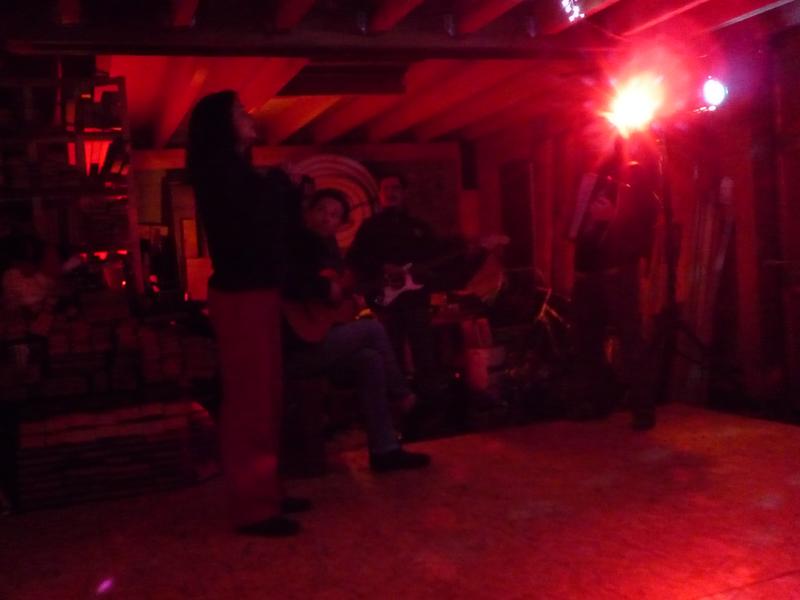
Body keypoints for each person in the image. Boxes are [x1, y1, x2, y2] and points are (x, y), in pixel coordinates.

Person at [186, 90, 307, 537]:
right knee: (250, 401)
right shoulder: (221, 175)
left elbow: (272, 226)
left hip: (256, 293)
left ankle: (267, 490)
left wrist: (281, 186)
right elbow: (254, 224)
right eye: (239, 111)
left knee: (267, 396)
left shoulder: (237, 174)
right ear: (221, 125)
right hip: (242, 297)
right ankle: (254, 507)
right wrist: (282, 185)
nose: (249, 114)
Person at [283, 188, 431, 472]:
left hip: (319, 339)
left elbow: (333, 305)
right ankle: (404, 397)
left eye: (334, 215)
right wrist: (326, 289)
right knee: (372, 329)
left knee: (370, 360)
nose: (326, 218)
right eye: (321, 210)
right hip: (296, 346)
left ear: (340, 224)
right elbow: (291, 281)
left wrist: (349, 300)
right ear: (308, 212)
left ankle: (385, 450)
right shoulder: (293, 244)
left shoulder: (330, 253)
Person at [570, 134, 660, 430]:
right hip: (587, 271)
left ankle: (643, 409)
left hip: (617, 271)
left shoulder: (635, 174)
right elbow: (574, 226)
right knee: (586, 340)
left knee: (629, 337)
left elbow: (647, 220)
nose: (592, 143)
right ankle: (596, 402)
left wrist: (613, 217)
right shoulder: (586, 176)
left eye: (597, 138)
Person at [346, 174, 445, 398]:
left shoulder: (419, 227)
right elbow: (354, 259)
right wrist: (382, 267)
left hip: (416, 300)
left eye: (396, 188)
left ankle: (429, 400)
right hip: (386, 301)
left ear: (404, 192)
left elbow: (437, 255)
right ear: (380, 195)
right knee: (391, 352)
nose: (391, 193)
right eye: (386, 188)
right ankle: (399, 399)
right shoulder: (370, 227)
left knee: (424, 351)